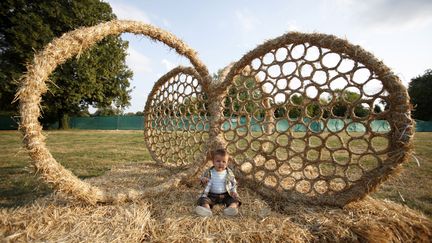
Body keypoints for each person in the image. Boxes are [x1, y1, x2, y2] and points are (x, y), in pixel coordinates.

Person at [195, 148, 241, 217]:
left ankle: (231, 208)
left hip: (226, 194)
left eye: (223, 161)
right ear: (213, 162)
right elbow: (202, 178)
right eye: (218, 161)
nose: (220, 164)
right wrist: (203, 179)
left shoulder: (229, 173)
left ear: (227, 163)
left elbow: (233, 183)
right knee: (203, 199)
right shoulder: (209, 172)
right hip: (212, 195)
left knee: (236, 200)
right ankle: (207, 209)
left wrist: (234, 191)